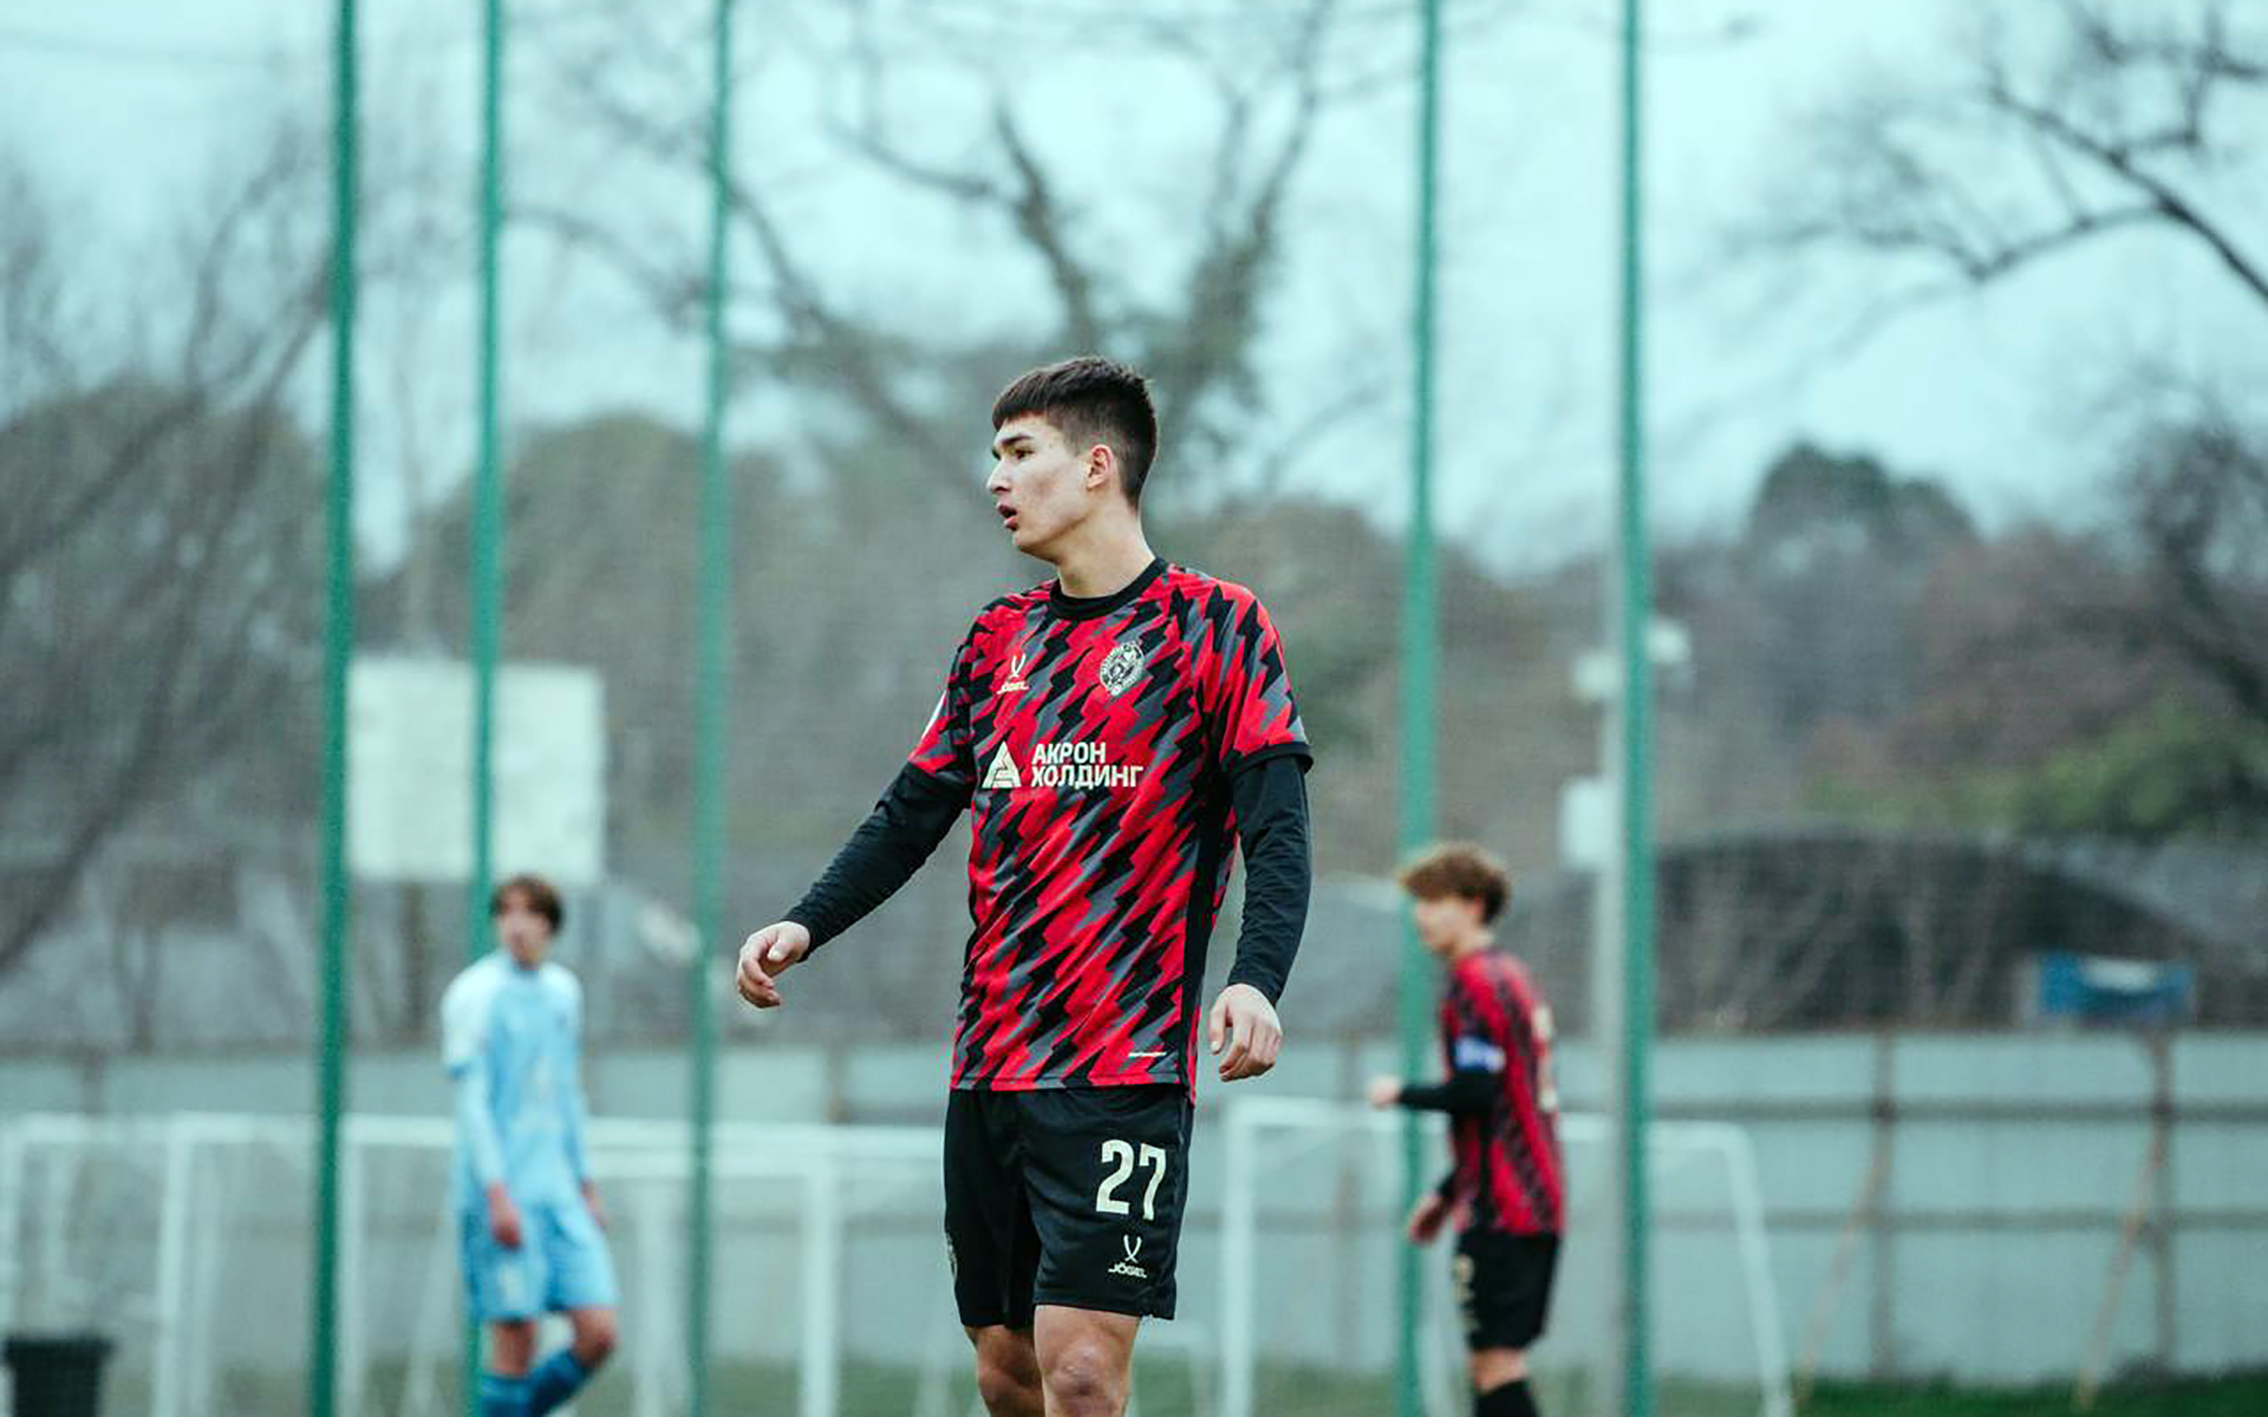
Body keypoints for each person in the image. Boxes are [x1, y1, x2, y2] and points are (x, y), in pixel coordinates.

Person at [736, 356, 1314, 1417]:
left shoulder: (1217, 627)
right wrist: (805, 922)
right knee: (1006, 1373)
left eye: (1017, 453)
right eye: (993, 456)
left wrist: (1257, 978)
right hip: (992, 1061)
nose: (995, 479)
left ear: (1096, 466)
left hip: (1123, 1067)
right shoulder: (998, 640)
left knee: (1081, 1372)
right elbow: (911, 812)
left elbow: (1278, 831)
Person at [1368, 844, 1563, 1417]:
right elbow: (1502, 1107)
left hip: (1503, 1210)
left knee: (1496, 1367)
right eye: (1417, 901)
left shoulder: (1476, 983)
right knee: (1494, 1366)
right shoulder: (1512, 977)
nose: (1421, 915)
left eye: (1435, 900)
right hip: (1529, 1199)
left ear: (1474, 905)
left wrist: (1399, 1092)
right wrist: (1447, 1191)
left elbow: (1477, 1094)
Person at [441, 873, 619, 1417]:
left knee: (599, 1333)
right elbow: (472, 1104)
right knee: (516, 1340)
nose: (517, 925)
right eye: (507, 912)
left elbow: (566, 1093)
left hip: (558, 1191)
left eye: (531, 913)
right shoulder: (474, 994)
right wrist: (496, 1192)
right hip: (504, 1191)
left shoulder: (564, 992)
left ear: (551, 925)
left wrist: (585, 1183)